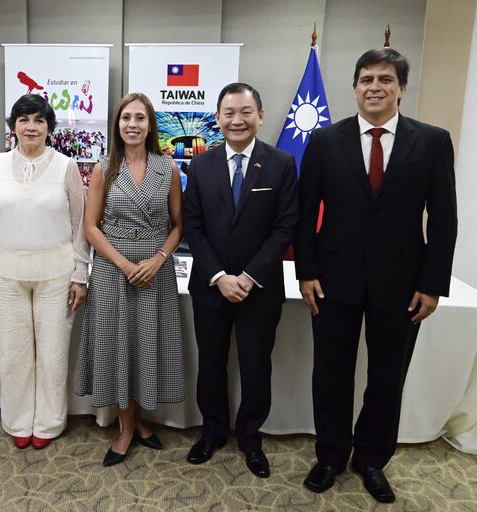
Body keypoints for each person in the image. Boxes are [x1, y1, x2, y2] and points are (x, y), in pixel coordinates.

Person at [295, 48, 458, 503]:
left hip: (402, 285)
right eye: (366, 79)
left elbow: (444, 220)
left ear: (401, 88)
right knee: (331, 373)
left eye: (385, 79)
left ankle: (371, 458)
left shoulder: (431, 141)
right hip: (332, 280)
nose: (374, 87)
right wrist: (305, 273)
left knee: (387, 376)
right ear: (354, 88)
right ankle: (329, 455)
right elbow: (306, 214)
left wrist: (432, 284)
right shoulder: (326, 141)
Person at [182, 83, 298, 477]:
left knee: (255, 366)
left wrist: (248, 276)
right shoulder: (200, 165)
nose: (237, 120)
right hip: (211, 286)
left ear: (260, 116)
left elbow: (285, 227)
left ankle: (250, 438)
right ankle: (212, 432)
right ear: (217, 119)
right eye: (229, 113)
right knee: (211, 363)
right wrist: (219, 275)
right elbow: (193, 228)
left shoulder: (281, 163)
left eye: (245, 111)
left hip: (259, 288)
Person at [0, 94, 89, 450]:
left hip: (56, 274)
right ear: (14, 128)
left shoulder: (66, 167)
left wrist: (80, 274)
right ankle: (18, 421)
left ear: (49, 127)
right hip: (5, 274)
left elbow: (80, 223)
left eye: (38, 120)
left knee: (53, 354)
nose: (31, 127)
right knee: (14, 353)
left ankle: (50, 423)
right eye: (23, 120)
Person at [75, 92, 184, 467]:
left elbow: (178, 225)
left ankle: (140, 421)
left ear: (150, 124)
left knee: (146, 343)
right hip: (112, 268)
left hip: (155, 270)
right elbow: (90, 228)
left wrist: (158, 258)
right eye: (126, 118)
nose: (133, 125)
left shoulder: (167, 167)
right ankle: (125, 427)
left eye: (140, 118)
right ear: (117, 125)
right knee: (118, 344)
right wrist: (124, 264)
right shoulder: (105, 167)